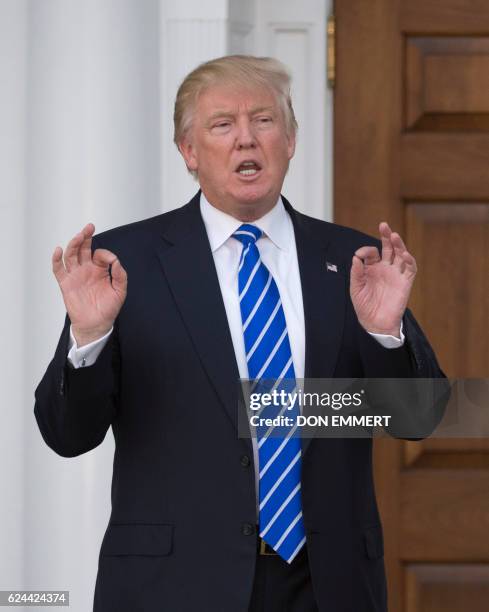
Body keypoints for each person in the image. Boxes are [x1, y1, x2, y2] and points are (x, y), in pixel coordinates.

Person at [34, 55, 445, 612]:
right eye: (222, 125)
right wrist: (90, 336)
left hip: (328, 585)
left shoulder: (353, 262)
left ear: (292, 139)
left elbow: (416, 420)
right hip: (174, 586)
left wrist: (385, 334)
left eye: (264, 121)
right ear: (188, 151)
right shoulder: (123, 263)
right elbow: (68, 435)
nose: (246, 140)